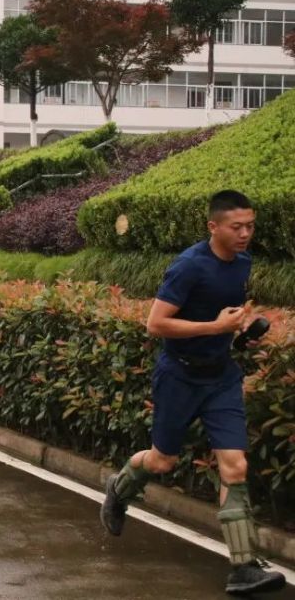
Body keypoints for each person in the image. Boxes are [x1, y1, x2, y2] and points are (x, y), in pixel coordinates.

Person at [100, 190, 285, 596]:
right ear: (212, 227)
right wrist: (214, 328)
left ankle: (242, 566)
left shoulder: (242, 264)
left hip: (221, 377)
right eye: (236, 227)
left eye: (250, 226)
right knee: (162, 460)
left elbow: (221, 317)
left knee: (234, 465)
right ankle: (119, 488)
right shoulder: (188, 267)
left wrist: (239, 333)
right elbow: (156, 324)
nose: (245, 234)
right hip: (179, 377)